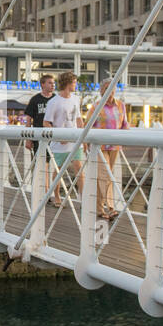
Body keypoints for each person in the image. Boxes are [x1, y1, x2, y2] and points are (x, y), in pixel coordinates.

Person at [42, 71, 84, 207]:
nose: (76, 85)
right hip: (60, 143)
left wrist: (83, 136)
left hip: (75, 141)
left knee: (79, 169)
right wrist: (58, 136)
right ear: (67, 83)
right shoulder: (54, 102)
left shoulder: (76, 99)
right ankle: (57, 196)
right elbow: (46, 122)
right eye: (74, 82)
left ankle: (83, 198)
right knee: (58, 171)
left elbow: (78, 119)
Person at [92, 78, 129, 222]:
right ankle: (105, 208)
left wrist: (126, 136)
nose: (111, 91)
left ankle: (107, 207)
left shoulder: (120, 105)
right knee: (104, 175)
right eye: (107, 88)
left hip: (115, 145)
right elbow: (88, 125)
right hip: (101, 146)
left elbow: (125, 123)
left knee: (110, 177)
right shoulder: (96, 106)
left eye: (113, 88)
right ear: (101, 91)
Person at [25, 74, 55, 159]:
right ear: (42, 84)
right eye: (50, 83)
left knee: (53, 162)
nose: (53, 85)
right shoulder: (35, 99)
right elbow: (28, 120)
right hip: (38, 135)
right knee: (39, 161)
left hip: (53, 135)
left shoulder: (56, 99)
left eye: (53, 83)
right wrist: (28, 139)